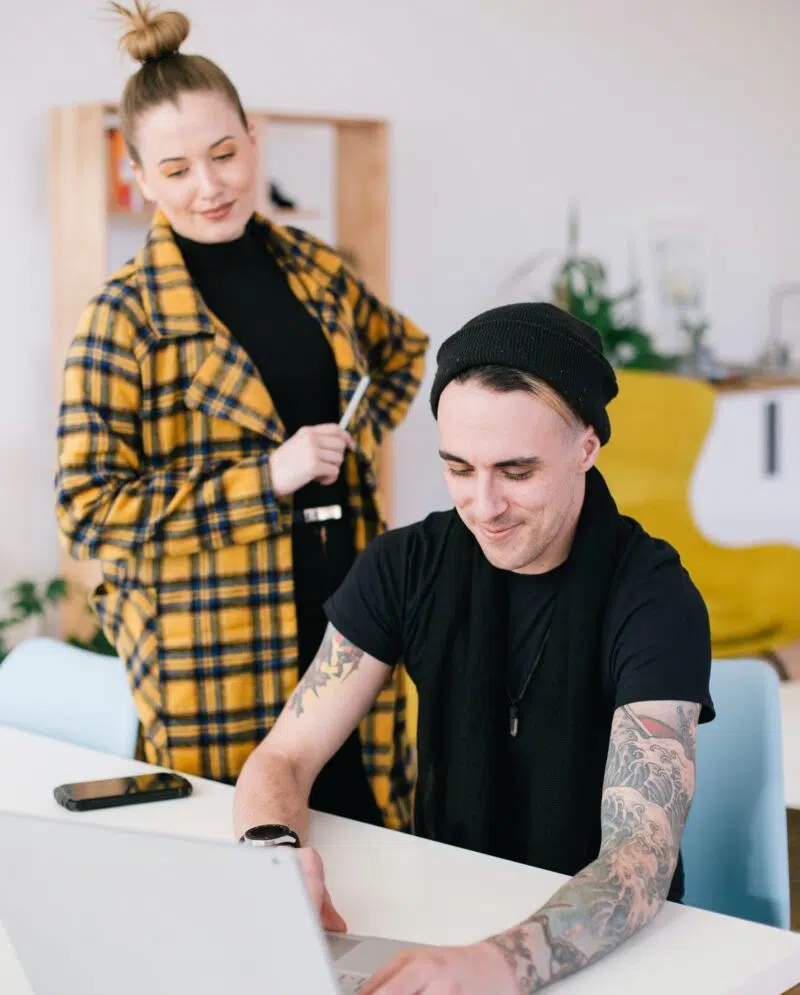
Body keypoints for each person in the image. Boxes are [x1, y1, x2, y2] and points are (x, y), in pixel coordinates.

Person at [233, 302, 714, 993]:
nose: (483, 505)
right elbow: (284, 754)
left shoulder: (654, 596)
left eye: (516, 472)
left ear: (587, 446)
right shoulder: (407, 565)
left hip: (613, 956)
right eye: (459, 468)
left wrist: (501, 962)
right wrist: (274, 853)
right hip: (443, 915)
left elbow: (639, 859)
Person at [55, 0, 428, 832]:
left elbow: (401, 352)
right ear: (140, 177)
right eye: (178, 169)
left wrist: (347, 449)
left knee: (376, 839)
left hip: (349, 607)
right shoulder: (123, 316)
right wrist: (267, 479)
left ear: (254, 139)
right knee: (242, 862)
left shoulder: (314, 267)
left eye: (224, 154)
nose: (210, 185)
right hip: (210, 644)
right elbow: (86, 514)